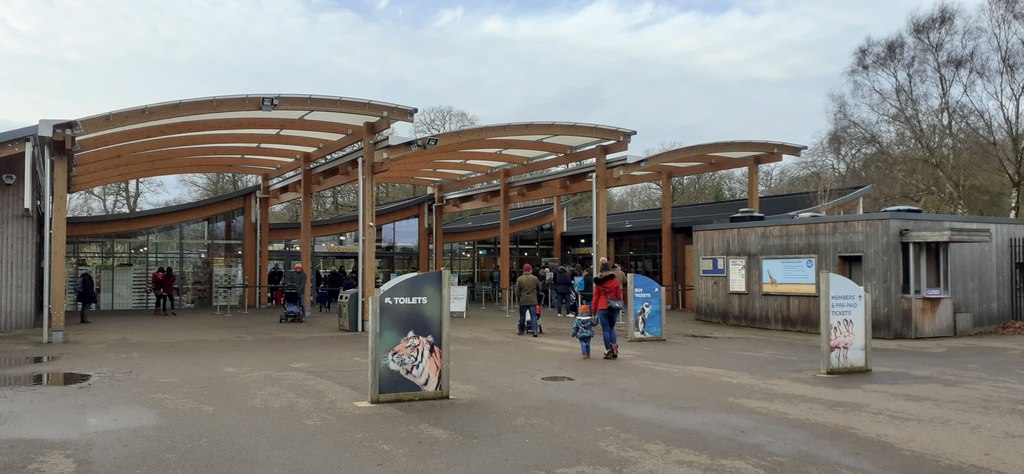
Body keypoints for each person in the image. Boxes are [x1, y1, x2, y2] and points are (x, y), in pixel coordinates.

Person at [593, 260, 623, 359]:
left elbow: (596, 297)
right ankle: (614, 347)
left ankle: (608, 351)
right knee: (611, 328)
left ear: (601, 272)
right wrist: (620, 304)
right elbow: (619, 295)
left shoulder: (598, 283)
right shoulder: (615, 281)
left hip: (602, 307)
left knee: (605, 330)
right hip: (614, 306)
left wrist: (593, 311)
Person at [515, 263, 542, 337]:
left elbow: (517, 291)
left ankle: (521, 331)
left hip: (523, 300)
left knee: (522, 316)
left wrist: (519, 297)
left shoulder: (520, 279)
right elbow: (539, 288)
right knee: (533, 316)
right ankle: (535, 331)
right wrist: (537, 294)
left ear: (523, 270)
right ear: (530, 270)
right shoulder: (535, 278)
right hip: (533, 300)